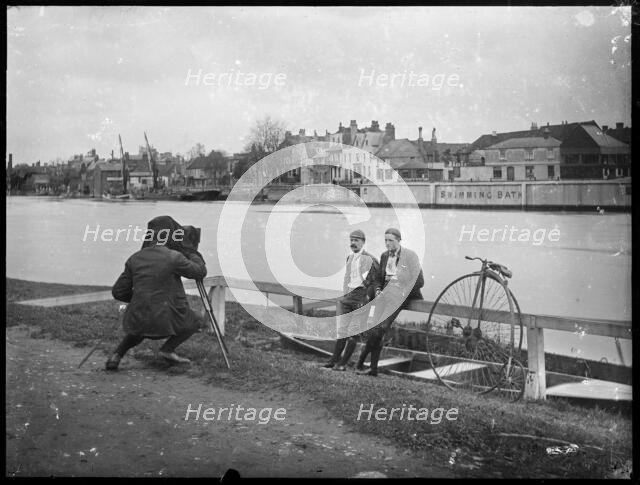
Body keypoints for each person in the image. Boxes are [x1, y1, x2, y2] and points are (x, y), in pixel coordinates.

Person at [106, 215, 207, 370]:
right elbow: (200, 272)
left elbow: (118, 291)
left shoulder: (135, 258)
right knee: (198, 319)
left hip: (139, 322)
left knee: (141, 324)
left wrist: (138, 299)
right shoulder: (174, 257)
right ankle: (167, 349)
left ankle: (116, 356)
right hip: (166, 323)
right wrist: (191, 250)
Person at [355, 228, 424, 376]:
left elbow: (419, 280)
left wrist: (404, 293)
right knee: (376, 329)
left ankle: (361, 362)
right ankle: (371, 369)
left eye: (390, 240)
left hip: (400, 295)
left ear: (399, 240)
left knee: (380, 328)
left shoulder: (410, 256)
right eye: (385, 240)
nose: (387, 243)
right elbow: (380, 277)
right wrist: (379, 289)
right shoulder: (384, 256)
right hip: (385, 295)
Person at [322, 230, 379, 371]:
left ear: (363, 242)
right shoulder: (349, 258)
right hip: (348, 297)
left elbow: (375, 282)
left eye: (357, 240)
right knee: (342, 331)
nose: (353, 243)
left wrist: (367, 297)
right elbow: (347, 277)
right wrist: (344, 294)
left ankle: (342, 364)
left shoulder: (370, 259)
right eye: (351, 240)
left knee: (354, 332)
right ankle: (333, 360)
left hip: (361, 297)